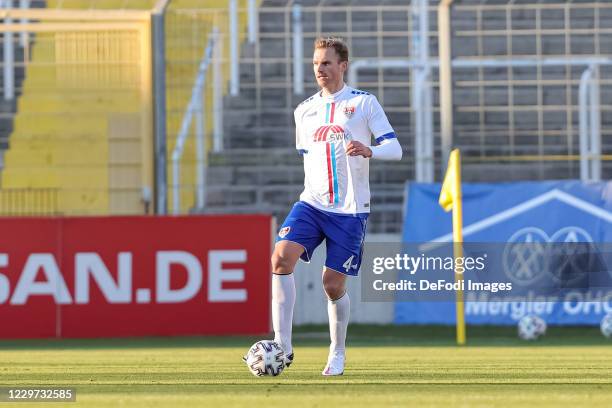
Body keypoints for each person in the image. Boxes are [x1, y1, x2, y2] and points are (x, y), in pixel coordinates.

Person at [271, 36, 402, 376]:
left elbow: (395, 148)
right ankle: (282, 345)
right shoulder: (304, 111)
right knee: (280, 257)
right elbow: (308, 156)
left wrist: (371, 149)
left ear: (343, 65)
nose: (320, 69)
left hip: (350, 209)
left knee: (333, 284)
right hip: (312, 203)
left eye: (327, 63)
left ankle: (337, 350)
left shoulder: (364, 103)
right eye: (316, 63)